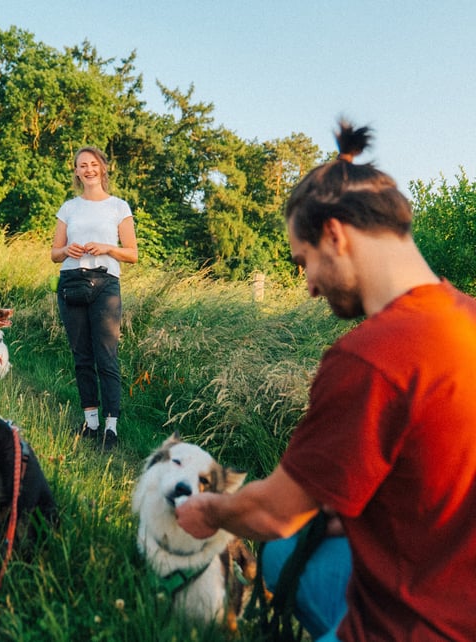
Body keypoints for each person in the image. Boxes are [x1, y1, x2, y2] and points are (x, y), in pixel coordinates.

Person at [175, 122, 476, 641]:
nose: (310, 286)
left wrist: (210, 510)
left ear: (335, 233)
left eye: (303, 260)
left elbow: (272, 515)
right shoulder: (464, 319)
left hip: (414, 628)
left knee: (280, 541)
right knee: (300, 546)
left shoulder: (371, 357)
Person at [51, 146, 138, 450]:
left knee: (106, 357)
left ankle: (111, 428)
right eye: (81, 165)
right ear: (76, 172)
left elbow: (132, 254)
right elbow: (54, 253)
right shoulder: (69, 208)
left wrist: (107, 248)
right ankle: (91, 424)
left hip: (105, 285)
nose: (87, 169)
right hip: (71, 283)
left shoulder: (118, 206)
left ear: (102, 168)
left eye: (92, 164)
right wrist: (67, 251)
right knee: (82, 357)